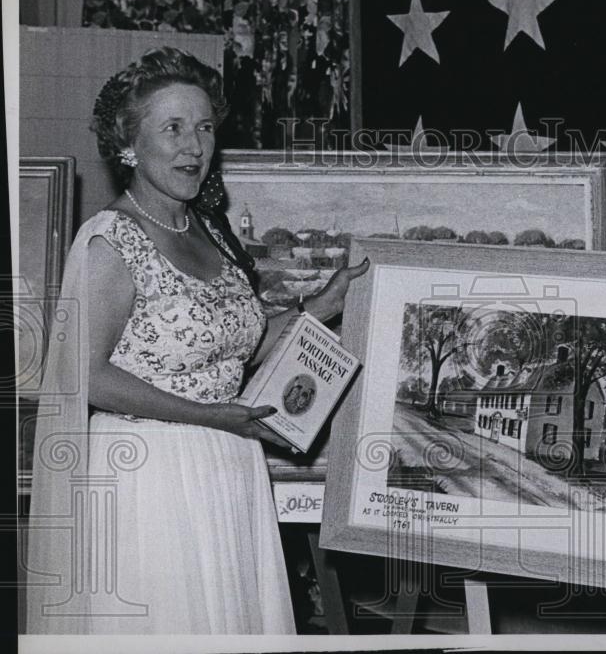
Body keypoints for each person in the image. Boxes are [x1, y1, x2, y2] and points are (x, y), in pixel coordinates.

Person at [25, 47, 369, 634]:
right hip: (149, 477)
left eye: (205, 127)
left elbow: (239, 342)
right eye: (174, 128)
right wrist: (210, 415)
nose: (194, 146)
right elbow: (87, 374)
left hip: (227, 463)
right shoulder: (110, 239)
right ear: (129, 142)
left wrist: (321, 306)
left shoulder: (205, 230)